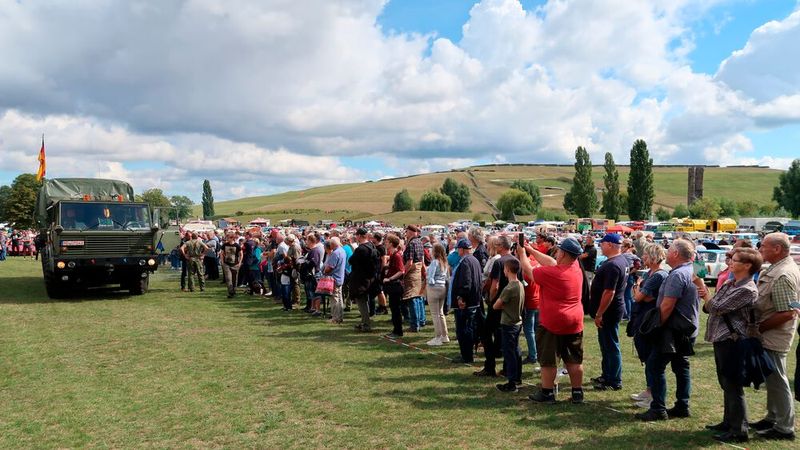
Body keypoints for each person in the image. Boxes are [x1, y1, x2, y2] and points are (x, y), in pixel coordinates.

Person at [699, 247, 761, 443]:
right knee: (725, 383)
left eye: (734, 260)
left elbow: (716, 306)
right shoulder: (730, 283)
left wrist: (703, 291)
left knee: (733, 385)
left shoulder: (747, 289)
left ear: (747, 265)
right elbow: (710, 307)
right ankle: (728, 422)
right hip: (721, 338)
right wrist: (708, 299)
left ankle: (739, 430)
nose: (730, 263)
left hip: (733, 341)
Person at [636, 238, 700, 421]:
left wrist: (656, 328)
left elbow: (667, 306)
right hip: (688, 328)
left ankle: (658, 408)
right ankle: (682, 405)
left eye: (669, 249)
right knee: (681, 367)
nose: (666, 252)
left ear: (676, 254)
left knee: (655, 366)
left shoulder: (677, 275)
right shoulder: (693, 270)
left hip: (673, 330)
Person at [518, 237, 586, 404]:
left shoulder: (552, 274)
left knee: (548, 360)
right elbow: (551, 262)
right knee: (574, 358)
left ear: (562, 253)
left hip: (553, 322)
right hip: (575, 320)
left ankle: (547, 393)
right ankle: (577, 392)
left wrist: (521, 254)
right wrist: (531, 250)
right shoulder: (575, 267)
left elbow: (528, 270)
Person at [751, 232, 799, 440]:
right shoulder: (780, 268)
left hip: (775, 335)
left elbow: (788, 312)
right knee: (772, 379)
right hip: (772, 333)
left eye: (763, 246)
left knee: (778, 380)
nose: (760, 250)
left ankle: (784, 427)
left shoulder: (783, 274)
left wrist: (759, 328)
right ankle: (773, 417)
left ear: (777, 249)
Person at [629, 243, 668, 408]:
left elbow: (639, 297)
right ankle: (648, 390)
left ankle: (654, 395)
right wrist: (639, 291)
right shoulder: (651, 273)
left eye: (645, 255)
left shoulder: (658, 275)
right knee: (646, 356)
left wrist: (638, 287)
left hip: (649, 321)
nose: (642, 258)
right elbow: (640, 296)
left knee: (652, 358)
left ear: (653, 257)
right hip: (642, 317)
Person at [475, 235, 518, 378]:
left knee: (486, 333)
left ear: (500, 246)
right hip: (512, 305)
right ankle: (507, 368)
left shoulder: (499, 262)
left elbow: (495, 286)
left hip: (499, 303)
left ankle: (490, 366)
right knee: (507, 337)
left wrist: (492, 302)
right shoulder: (516, 261)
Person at [590, 233, 627, 391]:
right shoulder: (620, 260)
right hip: (612, 309)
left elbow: (609, 292)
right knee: (606, 344)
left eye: (603, 243)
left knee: (611, 345)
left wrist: (599, 313)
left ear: (610, 245)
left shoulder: (613, 264)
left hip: (609, 311)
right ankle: (607, 374)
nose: (600, 246)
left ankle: (614, 379)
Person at [494, 258, 525, 393]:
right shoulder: (520, 284)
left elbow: (496, 305)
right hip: (517, 322)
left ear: (507, 269)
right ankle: (517, 377)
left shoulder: (509, 287)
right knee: (516, 351)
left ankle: (512, 382)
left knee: (510, 353)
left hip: (509, 323)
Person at [451, 238, 483, 364]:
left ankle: (466, 355)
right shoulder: (474, 260)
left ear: (462, 249)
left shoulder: (465, 262)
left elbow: (466, 282)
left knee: (464, 330)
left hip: (466, 302)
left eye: (458, 248)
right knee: (469, 328)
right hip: (473, 300)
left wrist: (461, 298)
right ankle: (468, 353)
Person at [349, 228, 379, 332]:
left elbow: (351, 260)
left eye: (356, 235)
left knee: (361, 301)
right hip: (369, 277)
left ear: (360, 236)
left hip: (360, 278)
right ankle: (364, 322)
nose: (355, 237)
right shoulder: (372, 246)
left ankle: (366, 324)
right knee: (364, 300)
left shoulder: (361, 249)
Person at [402, 225, 426, 332]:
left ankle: (414, 324)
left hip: (412, 271)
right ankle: (422, 320)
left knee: (412, 297)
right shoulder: (420, 242)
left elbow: (409, 261)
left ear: (410, 232)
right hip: (419, 270)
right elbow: (423, 260)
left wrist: (403, 273)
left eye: (406, 232)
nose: (405, 234)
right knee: (419, 296)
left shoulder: (411, 243)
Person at [425, 243, 450, 346]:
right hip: (442, 288)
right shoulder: (445, 262)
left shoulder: (435, 262)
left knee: (435, 314)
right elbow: (447, 277)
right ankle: (445, 336)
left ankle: (438, 337)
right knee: (440, 313)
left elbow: (430, 278)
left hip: (434, 288)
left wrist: (427, 278)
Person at [382, 234, 406, 338]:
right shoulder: (393, 255)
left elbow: (401, 271)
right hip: (392, 286)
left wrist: (390, 278)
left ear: (391, 243)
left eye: (386, 241)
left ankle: (398, 331)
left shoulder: (396, 255)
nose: (385, 243)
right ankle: (396, 330)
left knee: (396, 309)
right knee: (393, 308)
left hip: (396, 286)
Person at [324, 237, 347, 324]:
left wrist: (325, 270)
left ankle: (335, 318)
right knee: (339, 298)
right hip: (340, 277)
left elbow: (330, 267)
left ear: (333, 244)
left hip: (334, 278)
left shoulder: (335, 253)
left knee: (335, 299)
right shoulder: (342, 251)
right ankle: (339, 317)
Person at [220, 232, 243, 298]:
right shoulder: (224, 245)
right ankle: (230, 292)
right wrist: (222, 261)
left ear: (232, 238)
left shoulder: (237, 246)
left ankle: (234, 290)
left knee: (234, 279)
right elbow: (221, 253)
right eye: (227, 237)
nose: (227, 239)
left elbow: (241, 254)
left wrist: (240, 262)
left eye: (228, 237)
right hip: (226, 264)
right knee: (228, 279)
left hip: (235, 264)